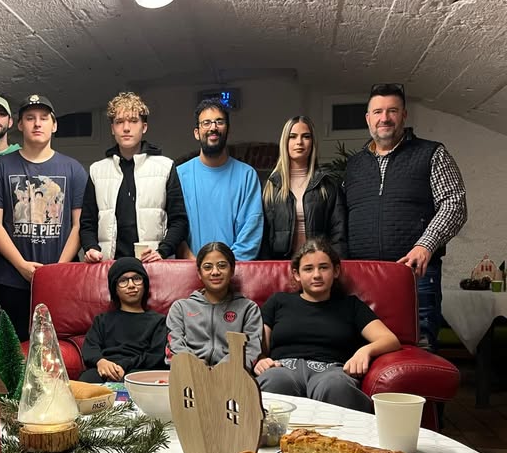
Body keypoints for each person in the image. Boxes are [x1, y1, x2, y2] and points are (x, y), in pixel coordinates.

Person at [344, 83, 467, 350]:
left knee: (419, 351)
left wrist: (426, 246)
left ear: (404, 116)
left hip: (415, 277)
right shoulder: (353, 166)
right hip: (364, 280)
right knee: (362, 354)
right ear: (368, 118)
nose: (384, 118)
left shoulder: (432, 154)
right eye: (377, 112)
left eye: (392, 111)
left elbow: (454, 204)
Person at [0, 94, 88, 340]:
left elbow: (80, 224)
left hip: (61, 278)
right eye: (30, 118)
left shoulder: (73, 169)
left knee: (58, 345)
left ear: (54, 125)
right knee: (17, 348)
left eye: (43, 118)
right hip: (12, 280)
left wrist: (57, 270)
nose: (37, 124)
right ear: (19, 125)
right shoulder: (0, 168)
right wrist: (21, 265)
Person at [254, 238, 400, 412]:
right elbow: (258, 345)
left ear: (336, 271)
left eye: (324, 267)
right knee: (275, 380)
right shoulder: (278, 301)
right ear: (297, 274)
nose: (317, 275)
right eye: (308, 269)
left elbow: (389, 339)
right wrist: (261, 359)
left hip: (331, 371)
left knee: (335, 386)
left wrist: (365, 351)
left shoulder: (350, 305)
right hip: (283, 368)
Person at [80, 92, 188, 263]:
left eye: (133, 121)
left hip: (152, 264)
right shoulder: (97, 171)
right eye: (119, 122)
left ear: (144, 127)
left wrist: (163, 251)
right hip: (109, 266)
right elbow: (87, 223)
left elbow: (179, 220)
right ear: (112, 129)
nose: (126, 128)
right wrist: (91, 248)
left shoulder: (165, 166)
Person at [176, 99, 263, 261]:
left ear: (228, 131)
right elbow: (174, 226)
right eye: (206, 123)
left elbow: (251, 232)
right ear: (196, 132)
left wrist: (225, 268)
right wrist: (195, 265)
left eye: (219, 122)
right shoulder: (179, 175)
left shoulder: (247, 176)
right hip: (189, 271)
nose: (213, 127)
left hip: (235, 273)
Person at [165, 241, 262, 369]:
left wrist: (220, 371)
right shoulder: (180, 308)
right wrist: (197, 367)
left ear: (232, 270)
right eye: (207, 267)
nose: (215, 272)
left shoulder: (249, 309)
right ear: (199, 273)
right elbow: (174, 346)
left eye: (222, 266)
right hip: (190, 374)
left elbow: (251, 350)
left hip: (232, 375)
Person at [260, 116, 346, 259]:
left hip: (317, 267)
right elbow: (263, 240)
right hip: (280, 268)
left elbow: (339, 236)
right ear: (284, 142)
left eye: (306, 136)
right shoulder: (270, 186)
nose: (299, 142)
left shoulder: (327, 186)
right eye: (292, 137)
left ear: (312, 142)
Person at [78, 258, 167, 383]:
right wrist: (101, 362)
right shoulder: (102, 320)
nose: (131, 285)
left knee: (141, 379)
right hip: (105, 369)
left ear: (145, 284)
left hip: (140, 370)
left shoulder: (159, 321)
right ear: (115, 288)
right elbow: (90, 347)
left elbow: (156, 355)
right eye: (123, 281)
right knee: (86, 380)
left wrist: (123, 366)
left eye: (136, 279)